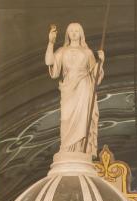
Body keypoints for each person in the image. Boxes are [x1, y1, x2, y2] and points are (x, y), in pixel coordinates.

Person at [45, 23, 104, 155]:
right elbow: (49, 62)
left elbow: (95, 76)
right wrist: (50, 42)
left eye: (77, 31)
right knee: (66, 118)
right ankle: (66, 149)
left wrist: (101, 61)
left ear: (81, 34)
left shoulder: (87, 52)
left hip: (84, 88)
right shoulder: (62, 51)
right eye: (71, 31)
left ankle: (80, 150)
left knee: (83, 119)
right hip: (68, 89)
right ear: (67, 34)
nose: (74, 33)